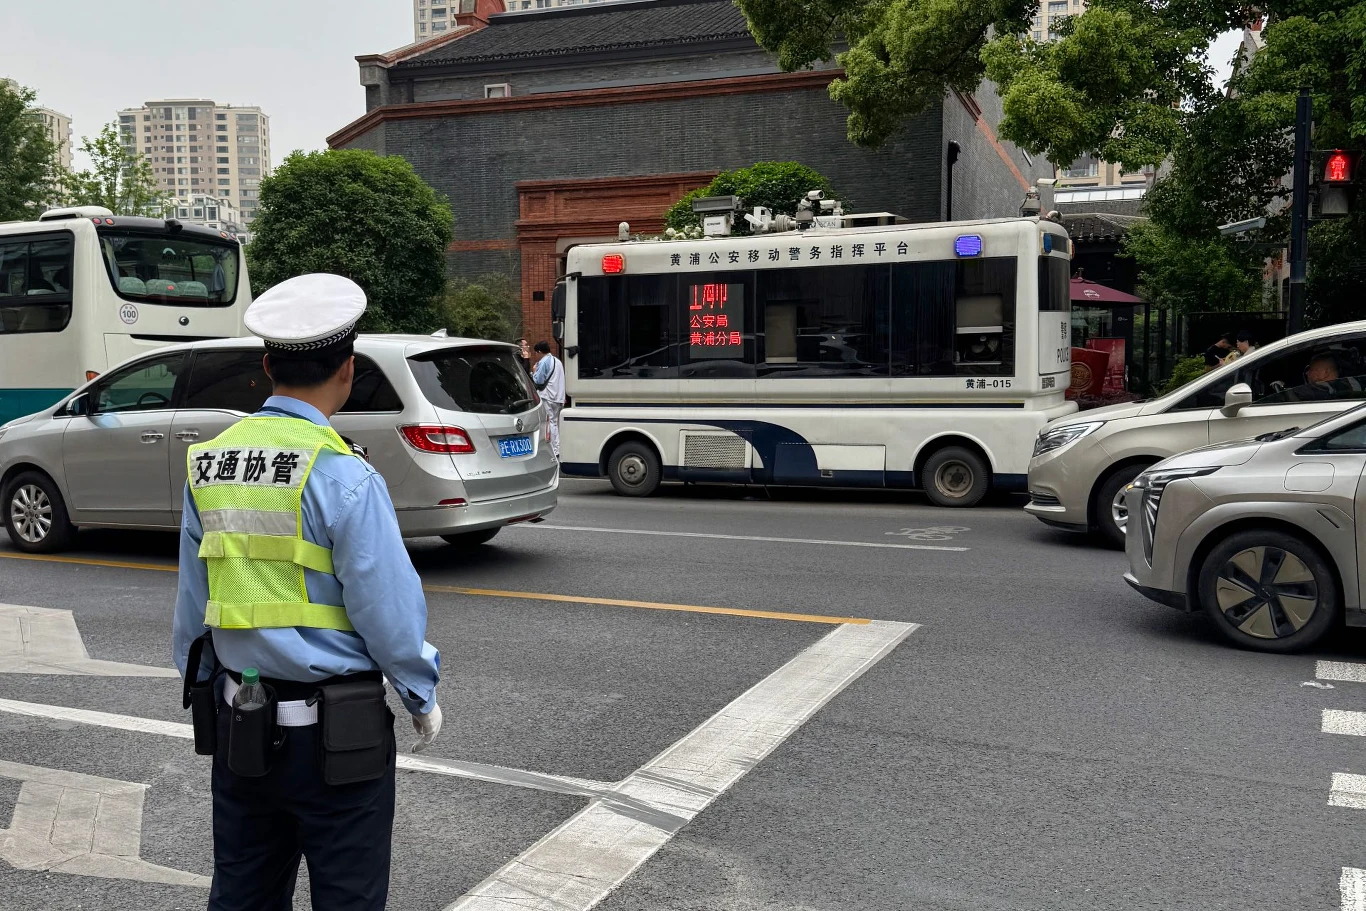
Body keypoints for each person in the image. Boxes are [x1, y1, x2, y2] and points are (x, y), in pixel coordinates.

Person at [172, 273, 441, 911]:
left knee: (242, 891)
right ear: (348, 371)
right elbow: (389, 613)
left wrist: (203, 681)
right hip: (337, 740)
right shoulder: (344, 475)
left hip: (241, 723)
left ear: (267, 366)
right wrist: (418, 691)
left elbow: (193, 602)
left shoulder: (209, 463)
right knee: (347, 897)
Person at [532, 340, 565, 460]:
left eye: (536, 353)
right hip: (559, 397)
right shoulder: (558, 361)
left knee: (550, 423)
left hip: (548, 396)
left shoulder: (544, 362)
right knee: (555, 422)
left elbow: (538, 381)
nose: (536, 355)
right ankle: (557, 448)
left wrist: (534, 371)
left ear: (540, 352)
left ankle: (554, 450)